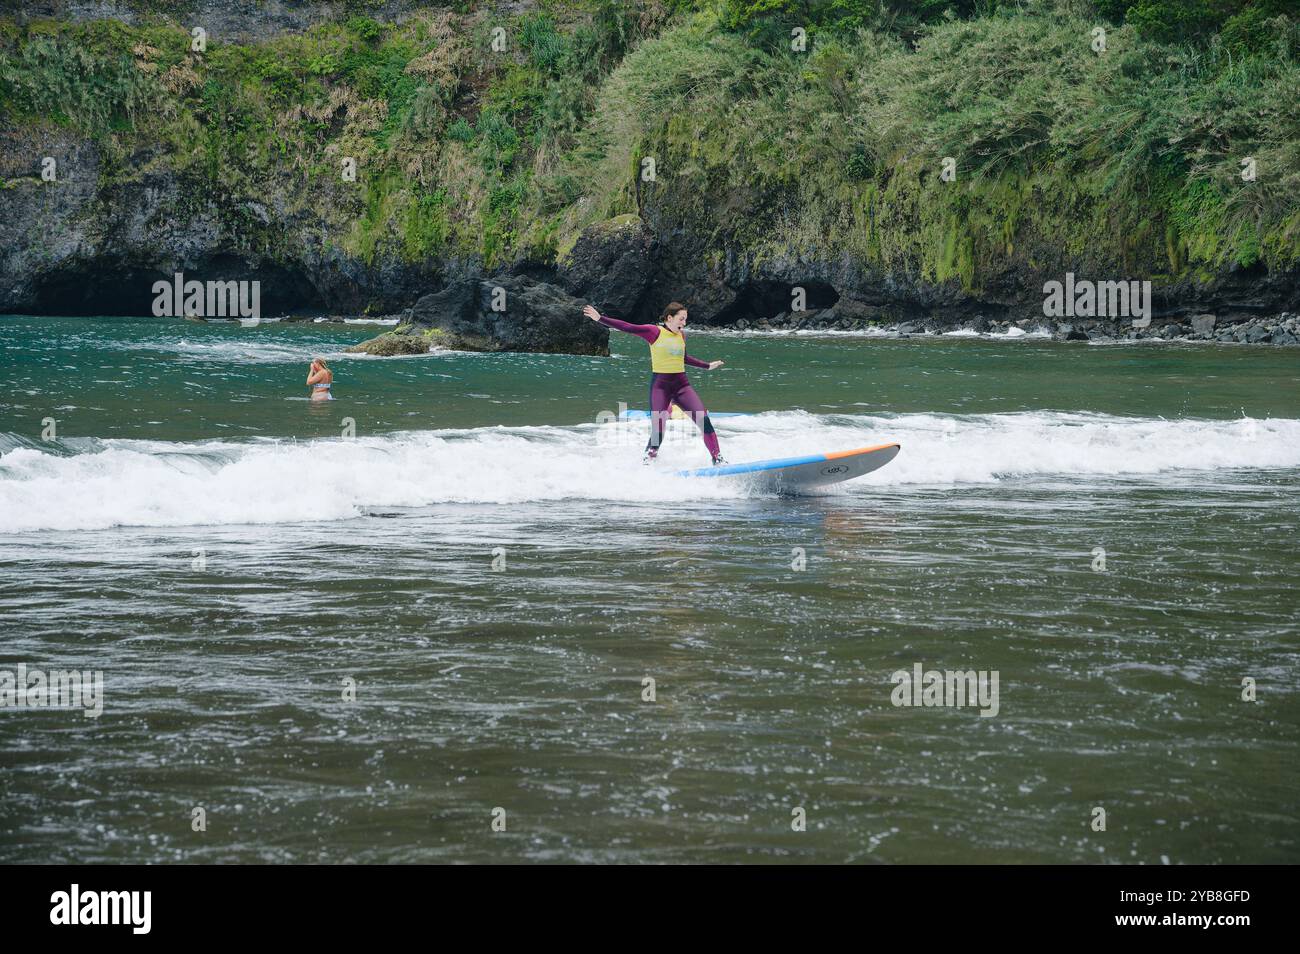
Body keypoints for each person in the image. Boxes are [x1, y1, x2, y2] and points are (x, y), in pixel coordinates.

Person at [583, 301, 726, 464]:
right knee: (658, 432)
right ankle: (647, 462)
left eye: (685, 319)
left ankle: (717, 459)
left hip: (682, 386)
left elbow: (683, 358)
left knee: (704, 421)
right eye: (681, 319)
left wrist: (707, 366)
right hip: (661, 388)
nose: (684, 323)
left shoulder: (681, 335)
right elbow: (628, 327)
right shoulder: (654, 332)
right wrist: (600, 318)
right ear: (669, 318)